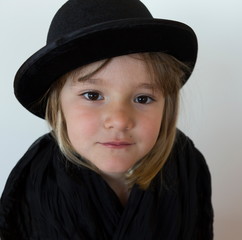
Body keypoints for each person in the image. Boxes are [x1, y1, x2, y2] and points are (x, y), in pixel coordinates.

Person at [0, 0, 213, 239]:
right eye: (92, 95)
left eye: (143, 98)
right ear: (57, 104)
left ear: (167, 105)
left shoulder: (187, 167)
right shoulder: (35, 184)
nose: (120, 120)